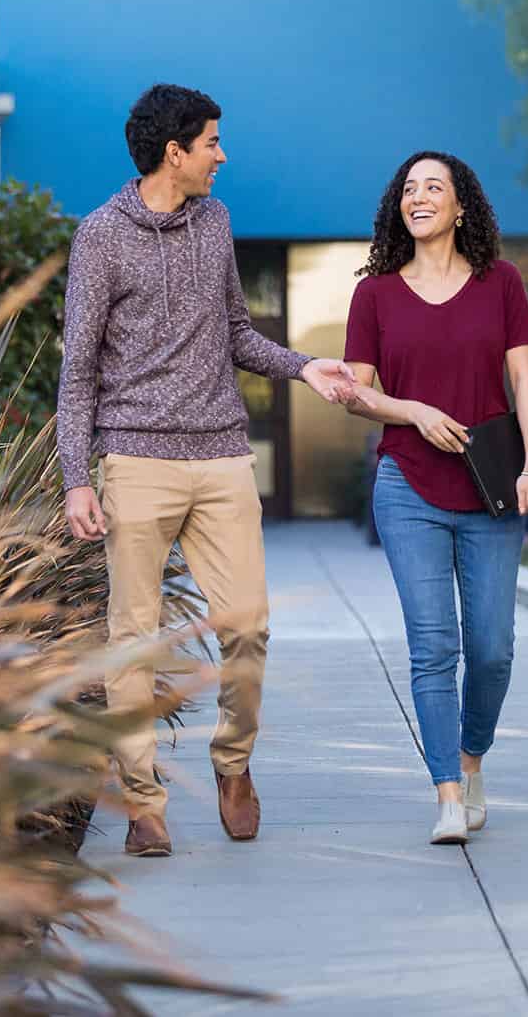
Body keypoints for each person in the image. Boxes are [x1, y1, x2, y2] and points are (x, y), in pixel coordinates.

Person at [58, 83, 357, 858]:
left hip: (222, 454)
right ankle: (143, 802)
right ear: (175, 151)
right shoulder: (100, 237)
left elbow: (236, 334)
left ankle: (233, 763)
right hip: (135, 459)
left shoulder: (216, 222)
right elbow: (79, 370)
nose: (223, 156)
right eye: (213, 142)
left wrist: (304, 367)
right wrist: (76, 477)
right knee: (133, 638)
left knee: (249, 626)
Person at [341, 152, 528, 845]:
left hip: (491, 487)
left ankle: (471, 756)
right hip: (408, 487)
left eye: (435, 187)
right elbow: (354, 390)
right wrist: (412, 411)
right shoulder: (374, 294)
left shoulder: (502, 283)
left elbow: (523, 381)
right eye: (409, 188)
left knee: (491, 649)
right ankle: (448, 795)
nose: (419, 197)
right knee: (434, 646)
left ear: (462, 208)